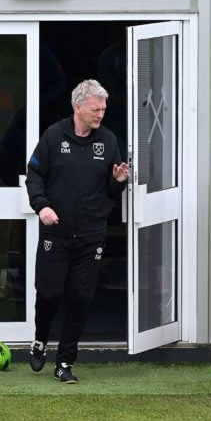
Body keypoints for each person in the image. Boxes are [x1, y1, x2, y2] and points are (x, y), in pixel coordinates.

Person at [25, 79, 129, 384]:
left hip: (91, 235)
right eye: (96, 109)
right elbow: (34, 175)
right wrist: (41, 206)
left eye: (104, 109)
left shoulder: (108, 140)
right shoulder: (54, 136)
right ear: (78, 106)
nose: (101, 114)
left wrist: (119, 180)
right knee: (49, 292)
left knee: (81, 298)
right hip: (56, 234)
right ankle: (40, 338)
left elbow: (110, 189)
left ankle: (65, 362)